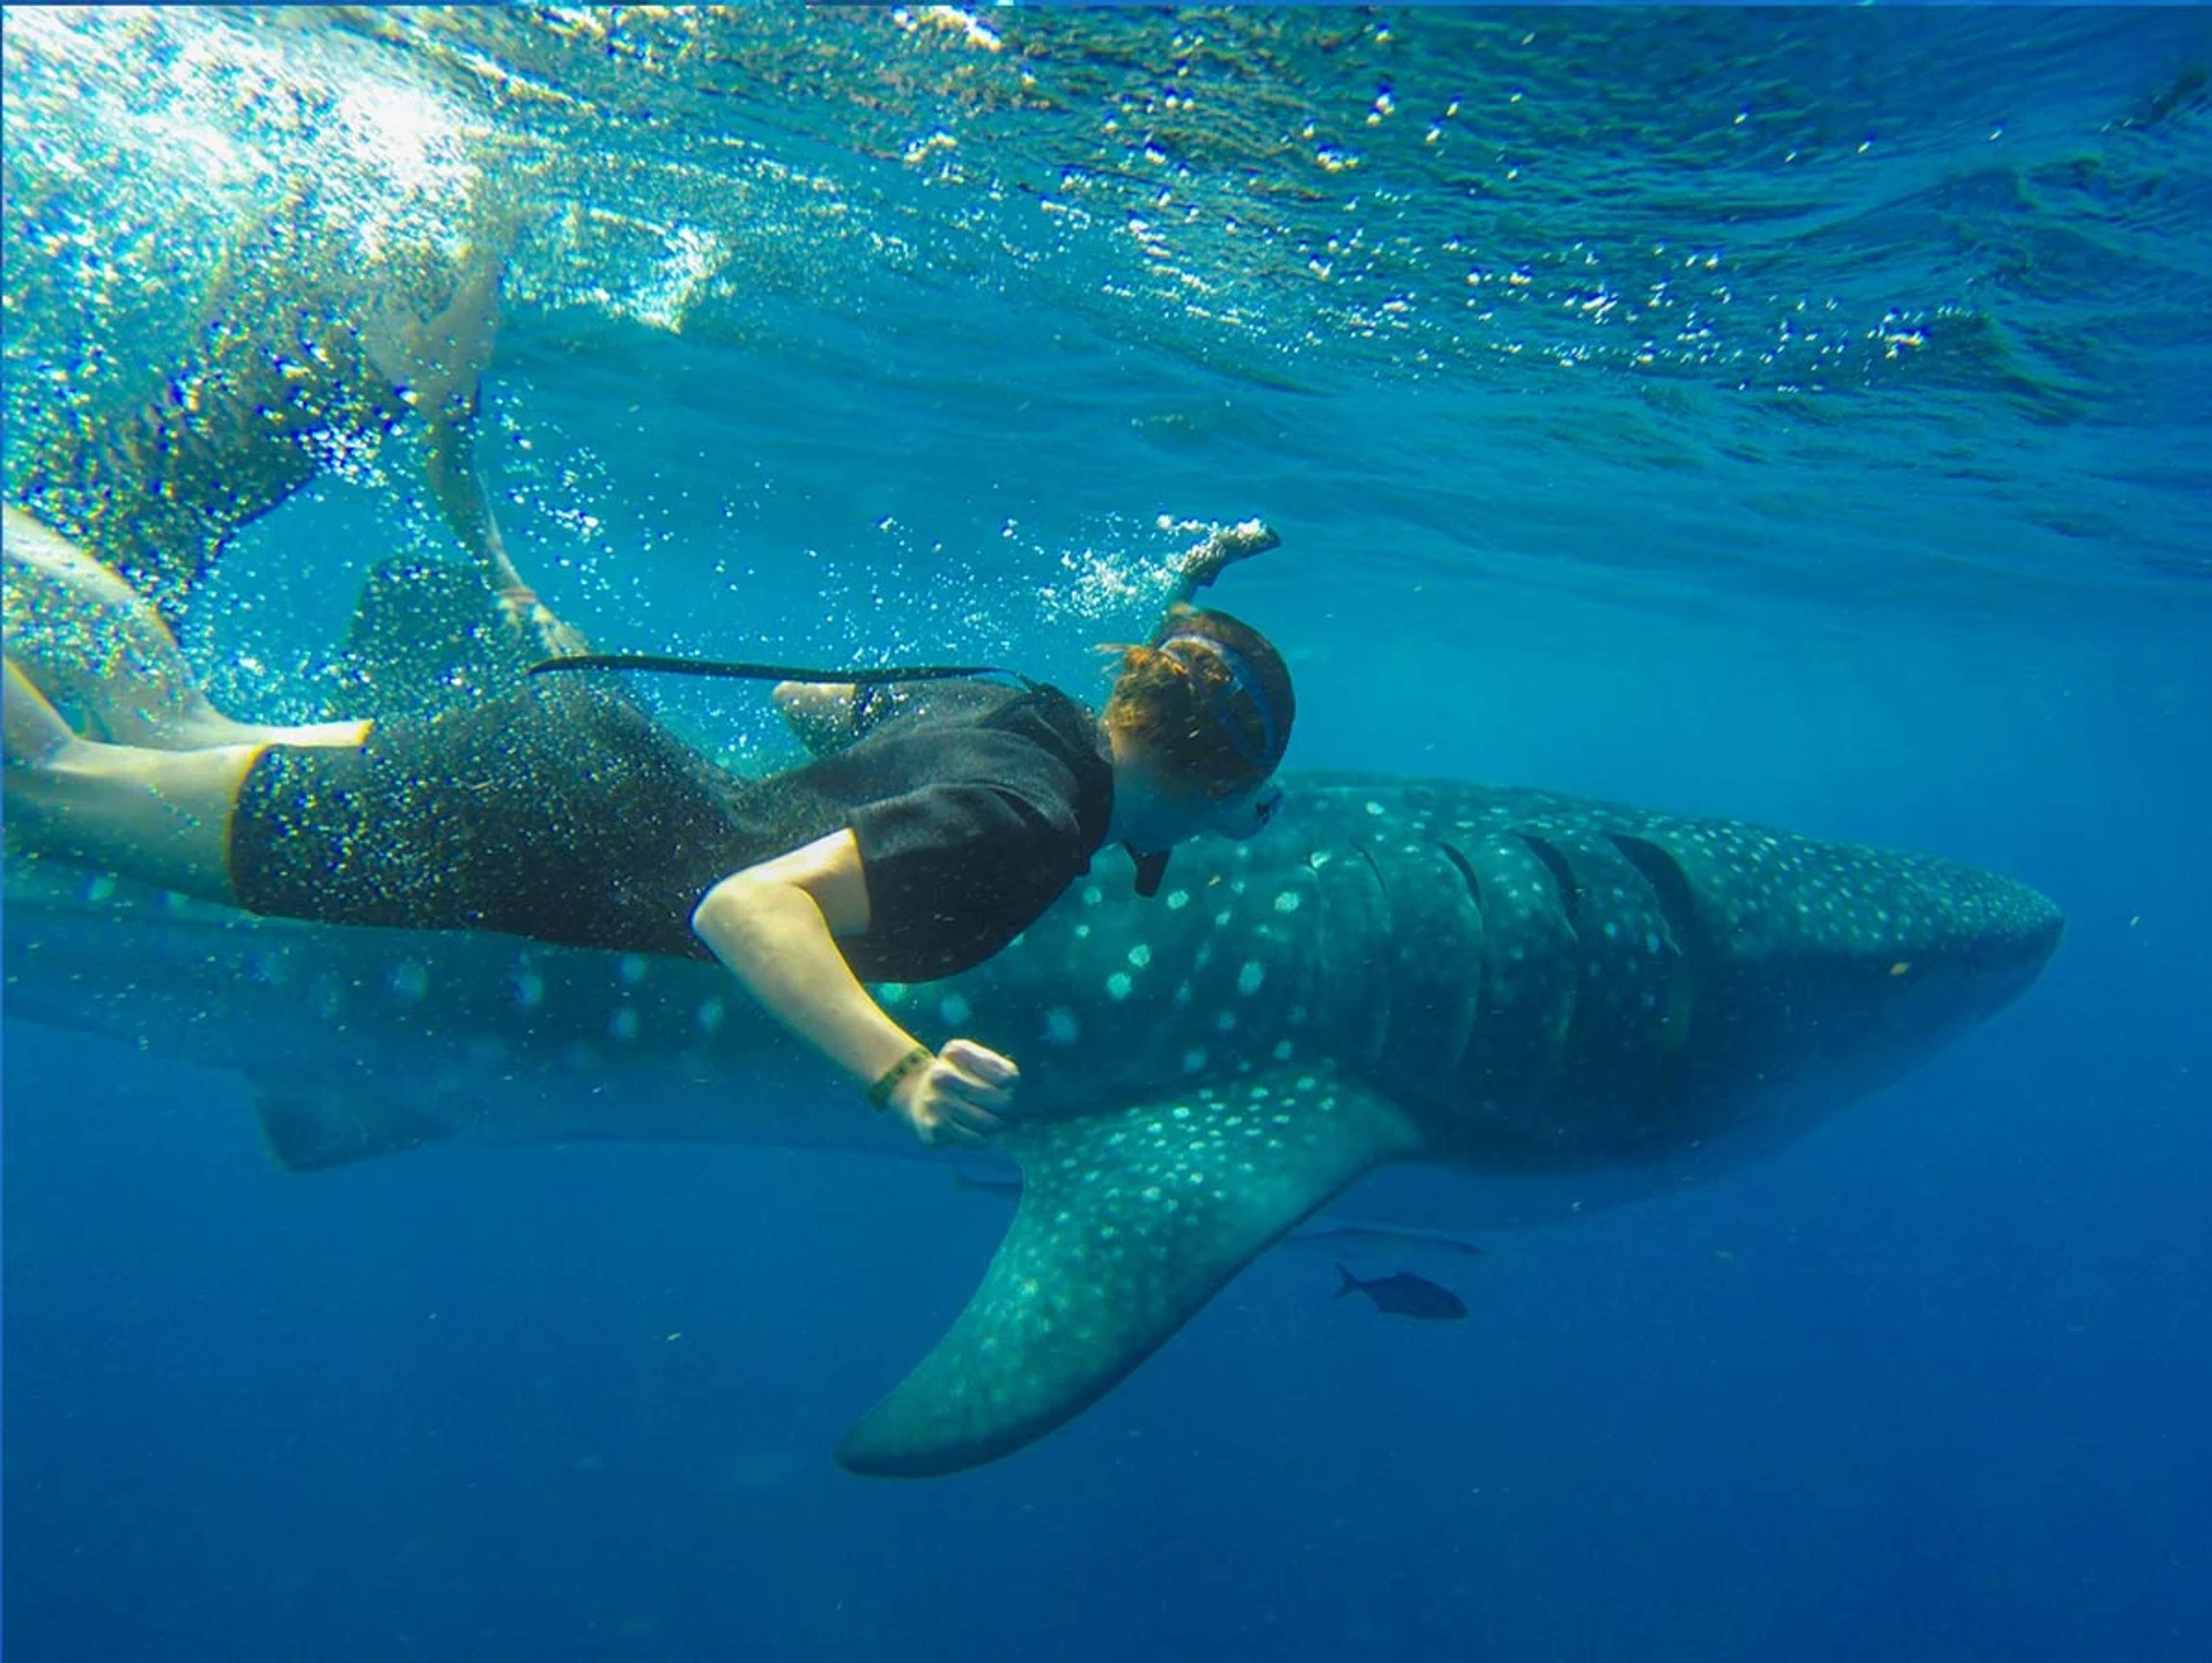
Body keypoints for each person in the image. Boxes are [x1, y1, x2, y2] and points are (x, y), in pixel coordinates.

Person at [3, 511, 1294, 1149]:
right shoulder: (1027, 822)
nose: (1262, 819)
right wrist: (899, 1073)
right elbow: (743, 910)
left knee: (169, 730)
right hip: (507, 828)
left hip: (569, 759)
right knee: (44, 788)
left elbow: (813, 707)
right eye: (1263, 794)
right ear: (1224, 786)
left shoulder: (1025, 714)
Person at [11, 195, 579, 665]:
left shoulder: (423, 316)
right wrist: (491, 250)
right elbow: (440, 381)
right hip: (125, 484)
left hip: (173, 529)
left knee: (84, 689)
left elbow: (450, 463)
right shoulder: (364, 265)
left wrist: (509, 582)